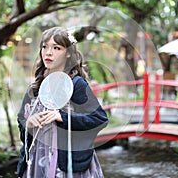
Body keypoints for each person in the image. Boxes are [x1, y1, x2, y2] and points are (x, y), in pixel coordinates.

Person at [17, 26, 109, 178]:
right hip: (37, 163)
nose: (48, 52)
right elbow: (21, 120)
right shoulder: (35, 87)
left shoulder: (76, 84)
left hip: (67, 164)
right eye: (44, 47)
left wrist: (62, 117)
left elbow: (99, 119)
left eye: (56, 48)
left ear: (68, 53)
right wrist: (29, 123)